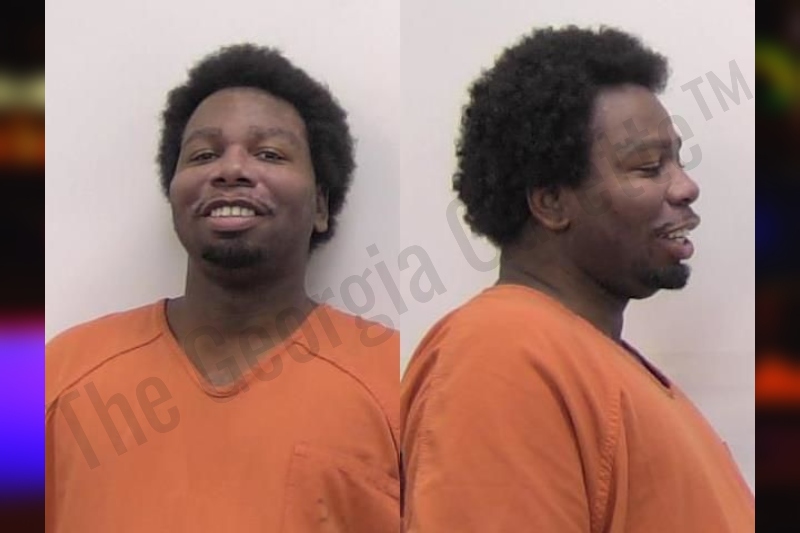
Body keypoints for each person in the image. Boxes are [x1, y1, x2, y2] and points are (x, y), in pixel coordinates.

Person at [401, 26, 754, 532]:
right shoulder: (501, 354)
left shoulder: (590, 359)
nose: (686, 186)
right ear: (551, 202)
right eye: (648, 167)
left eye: (678, 160)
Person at [46, 44, 399, 533]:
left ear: (320, 205)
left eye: (269, 153)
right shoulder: (54, 373)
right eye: (204, 154)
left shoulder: (395, 383)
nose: (230, 170)